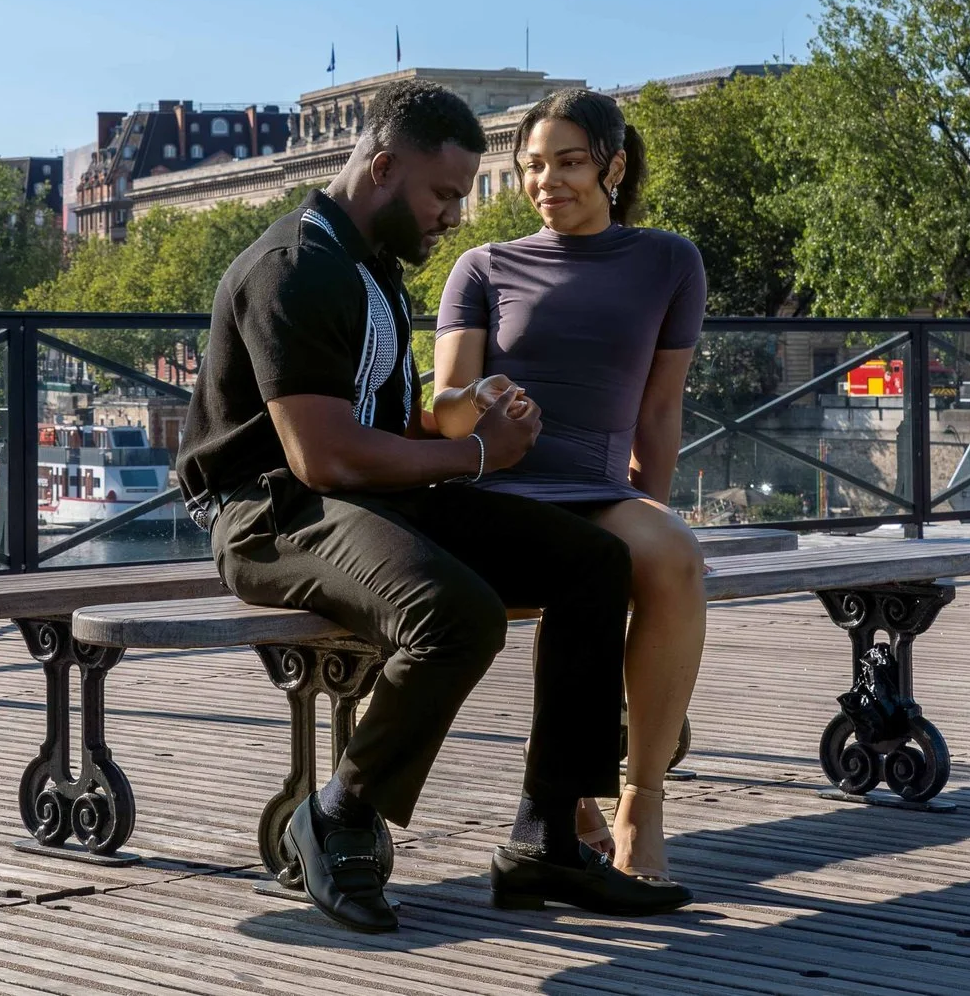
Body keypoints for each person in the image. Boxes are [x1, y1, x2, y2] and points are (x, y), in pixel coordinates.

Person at [177, 79, 690, 934]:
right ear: (382, 168)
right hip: (272, 511)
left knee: (594, 562)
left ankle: (547, 837)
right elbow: (322, 454)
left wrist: (467, 413)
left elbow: (381, 424)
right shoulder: (295, 267)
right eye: (444, 194)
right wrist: (477, 454)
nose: (456, 215)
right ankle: (336, 811)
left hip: (367, 495)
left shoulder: (370, 265)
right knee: (455, 612)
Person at [433, 86, 708, 883]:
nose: (546, 181)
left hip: (595, 491)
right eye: (531, 166)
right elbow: (441, 406)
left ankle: (640, 801)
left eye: (569, 162)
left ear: (614, 166)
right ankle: (563, 785)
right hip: (496, 489)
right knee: (594, 564)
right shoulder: (481, 266)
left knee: (673, 555)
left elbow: (660, 412)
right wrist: (477, 399)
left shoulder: (668, 261)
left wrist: (650, 505)